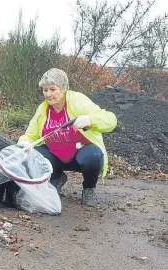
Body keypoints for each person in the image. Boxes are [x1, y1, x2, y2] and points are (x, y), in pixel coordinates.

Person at [17, 68, 117, 206]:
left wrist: (89, 120)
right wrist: (24, 143)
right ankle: (57, 177)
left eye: (52, 89)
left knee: (93, 156)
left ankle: (89, 188)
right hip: (56, 156)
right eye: (45, 90)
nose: (48, 94)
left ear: (63, 88)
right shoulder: (43, 109)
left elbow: (110, 120)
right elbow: (30, 135)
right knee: (35, 153)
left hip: (80, 154)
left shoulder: (78, 100)